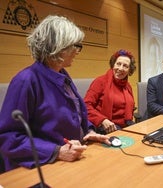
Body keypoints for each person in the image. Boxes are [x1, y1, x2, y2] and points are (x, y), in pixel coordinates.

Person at [0, 15, 111, 172]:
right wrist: (56, 151)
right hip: (39, 167)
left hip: (69, 161)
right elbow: (8, 138)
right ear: (58, 47)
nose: (77, 51)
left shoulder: (62, 74)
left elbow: (75, 115)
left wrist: (89, 132)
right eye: (74, 45)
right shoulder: (25, 80)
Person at [84, 49, 136, 134]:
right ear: (113, 65)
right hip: (106, 127)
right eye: (118, 64)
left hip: (126, 125)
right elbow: (86, 105)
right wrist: (102, 120)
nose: (120, 68)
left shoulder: (128, 86)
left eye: (125, 66)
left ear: (129, 70)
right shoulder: (100, 82)